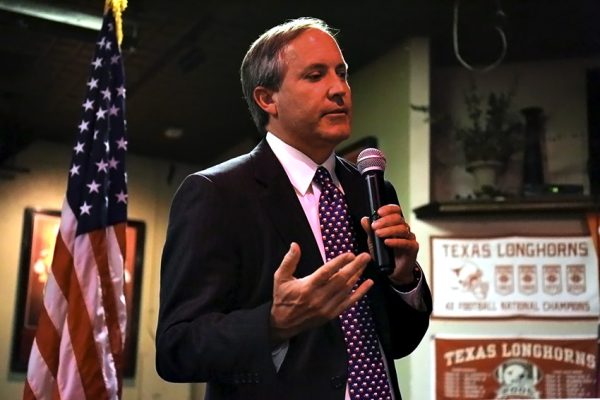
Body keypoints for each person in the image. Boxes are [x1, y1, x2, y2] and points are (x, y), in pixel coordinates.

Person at [155, 17, 432, 400]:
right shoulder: (216, 193)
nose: (339, 90)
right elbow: (176, 349)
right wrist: (273, 323)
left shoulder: (372, 187)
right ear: (267, 99)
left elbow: (395, 343)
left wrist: (404, 281)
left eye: (342, 73)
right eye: (316, 76)